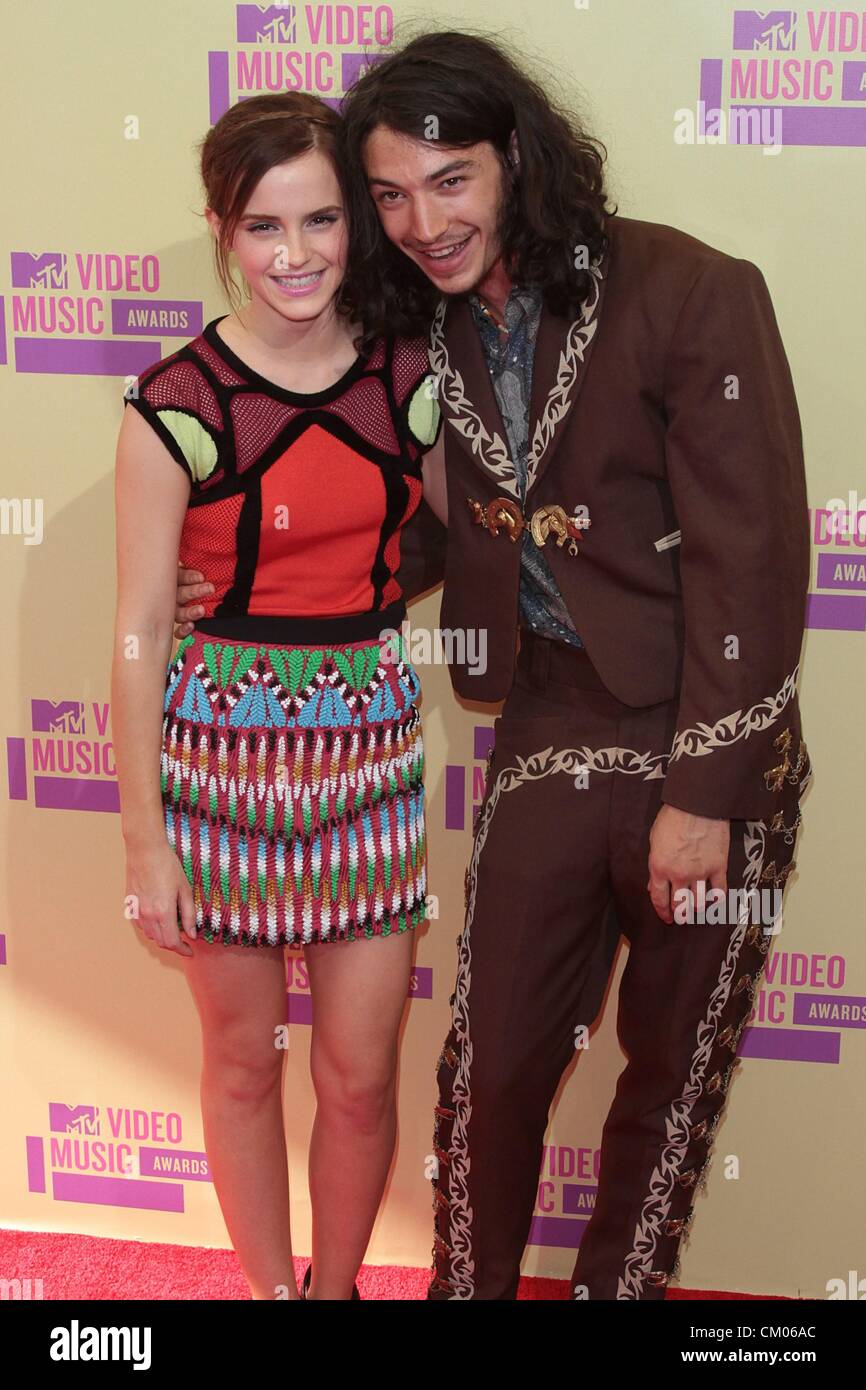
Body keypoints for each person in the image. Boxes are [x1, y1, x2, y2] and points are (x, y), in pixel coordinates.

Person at [175, 30, 812, 1300]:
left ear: (513, 156)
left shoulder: (688, 288)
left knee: (668, 1081)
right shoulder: (416, 329)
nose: (421, 222)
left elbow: (752, 556)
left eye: (449, 180)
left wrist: (703, 793)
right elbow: (429, 519)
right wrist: (253, 577)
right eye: (392, 196)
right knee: (490, 1069)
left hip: (706, 741)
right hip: (549, 720)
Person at [111, 90, 446, 1302]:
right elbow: (142, 633)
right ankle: (266, 1294)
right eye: (263, 226)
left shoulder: (412, 376)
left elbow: (476, 538)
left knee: (359, 1073)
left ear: (353, 225)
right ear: (221, 228)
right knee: (244, 1062)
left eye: (318, 221)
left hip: (368, 763)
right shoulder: (175, 404)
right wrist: (146, 843)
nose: (294, 254)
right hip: (213, 770)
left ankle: (336, 1290)